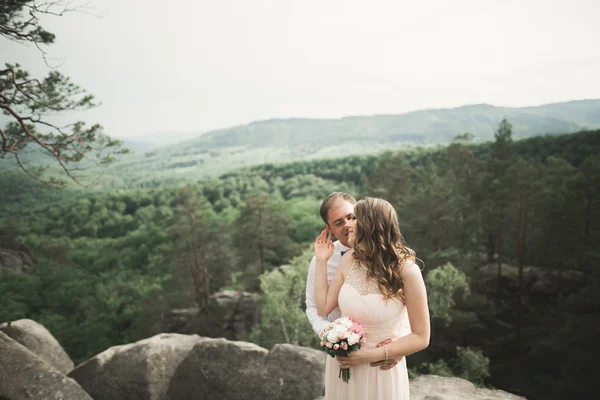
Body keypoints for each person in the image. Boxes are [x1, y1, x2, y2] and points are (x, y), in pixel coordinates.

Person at [314, 197, 430, 399]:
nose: (348, 225)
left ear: (370, 225)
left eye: (354, 218)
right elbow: (323, 308)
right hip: (343, 368)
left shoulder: (407, 270)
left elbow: (421, 337)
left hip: (381, 371)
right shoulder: (349, 259)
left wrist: (371, 355)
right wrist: (321, 261)